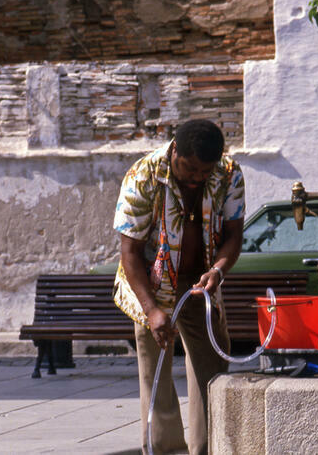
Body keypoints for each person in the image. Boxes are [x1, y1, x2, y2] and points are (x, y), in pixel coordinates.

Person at [112, 119, 245, 455]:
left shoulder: (229, 174)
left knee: (212, 368)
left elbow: (233, 236)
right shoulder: (143, 176)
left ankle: (208, 448)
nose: (198, 177)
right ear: (175, 151)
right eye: (191, 169)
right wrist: (153, 311)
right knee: (155, 374)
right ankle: (165, 450)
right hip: (151, 285)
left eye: (205, 171)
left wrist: (218, 270)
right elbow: (128, 253)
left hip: (201, 284)